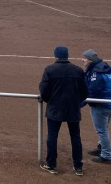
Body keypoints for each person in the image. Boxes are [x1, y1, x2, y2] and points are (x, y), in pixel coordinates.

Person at [39, 46, 88, 176]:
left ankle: (52, 165)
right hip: (73, 109)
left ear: (55, 56)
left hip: (55, 109)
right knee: (76, 137)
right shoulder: (78, 70)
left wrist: (50, 100)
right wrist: (77, 102)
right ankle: (78, 167)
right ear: (67, 55)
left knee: (52, 137)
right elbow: (84, 92)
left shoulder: (50, 70)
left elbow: (43, 91)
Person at [82, 49, 111, 165]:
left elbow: (93, 91)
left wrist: (80, 104)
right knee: (104, 129)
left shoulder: (96, 73)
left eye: (84, 58)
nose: (82, 60)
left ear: (90, 59)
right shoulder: (109, 68)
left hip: (101, 105)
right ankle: (101, 148)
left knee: (102, 131)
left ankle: (106, 155)